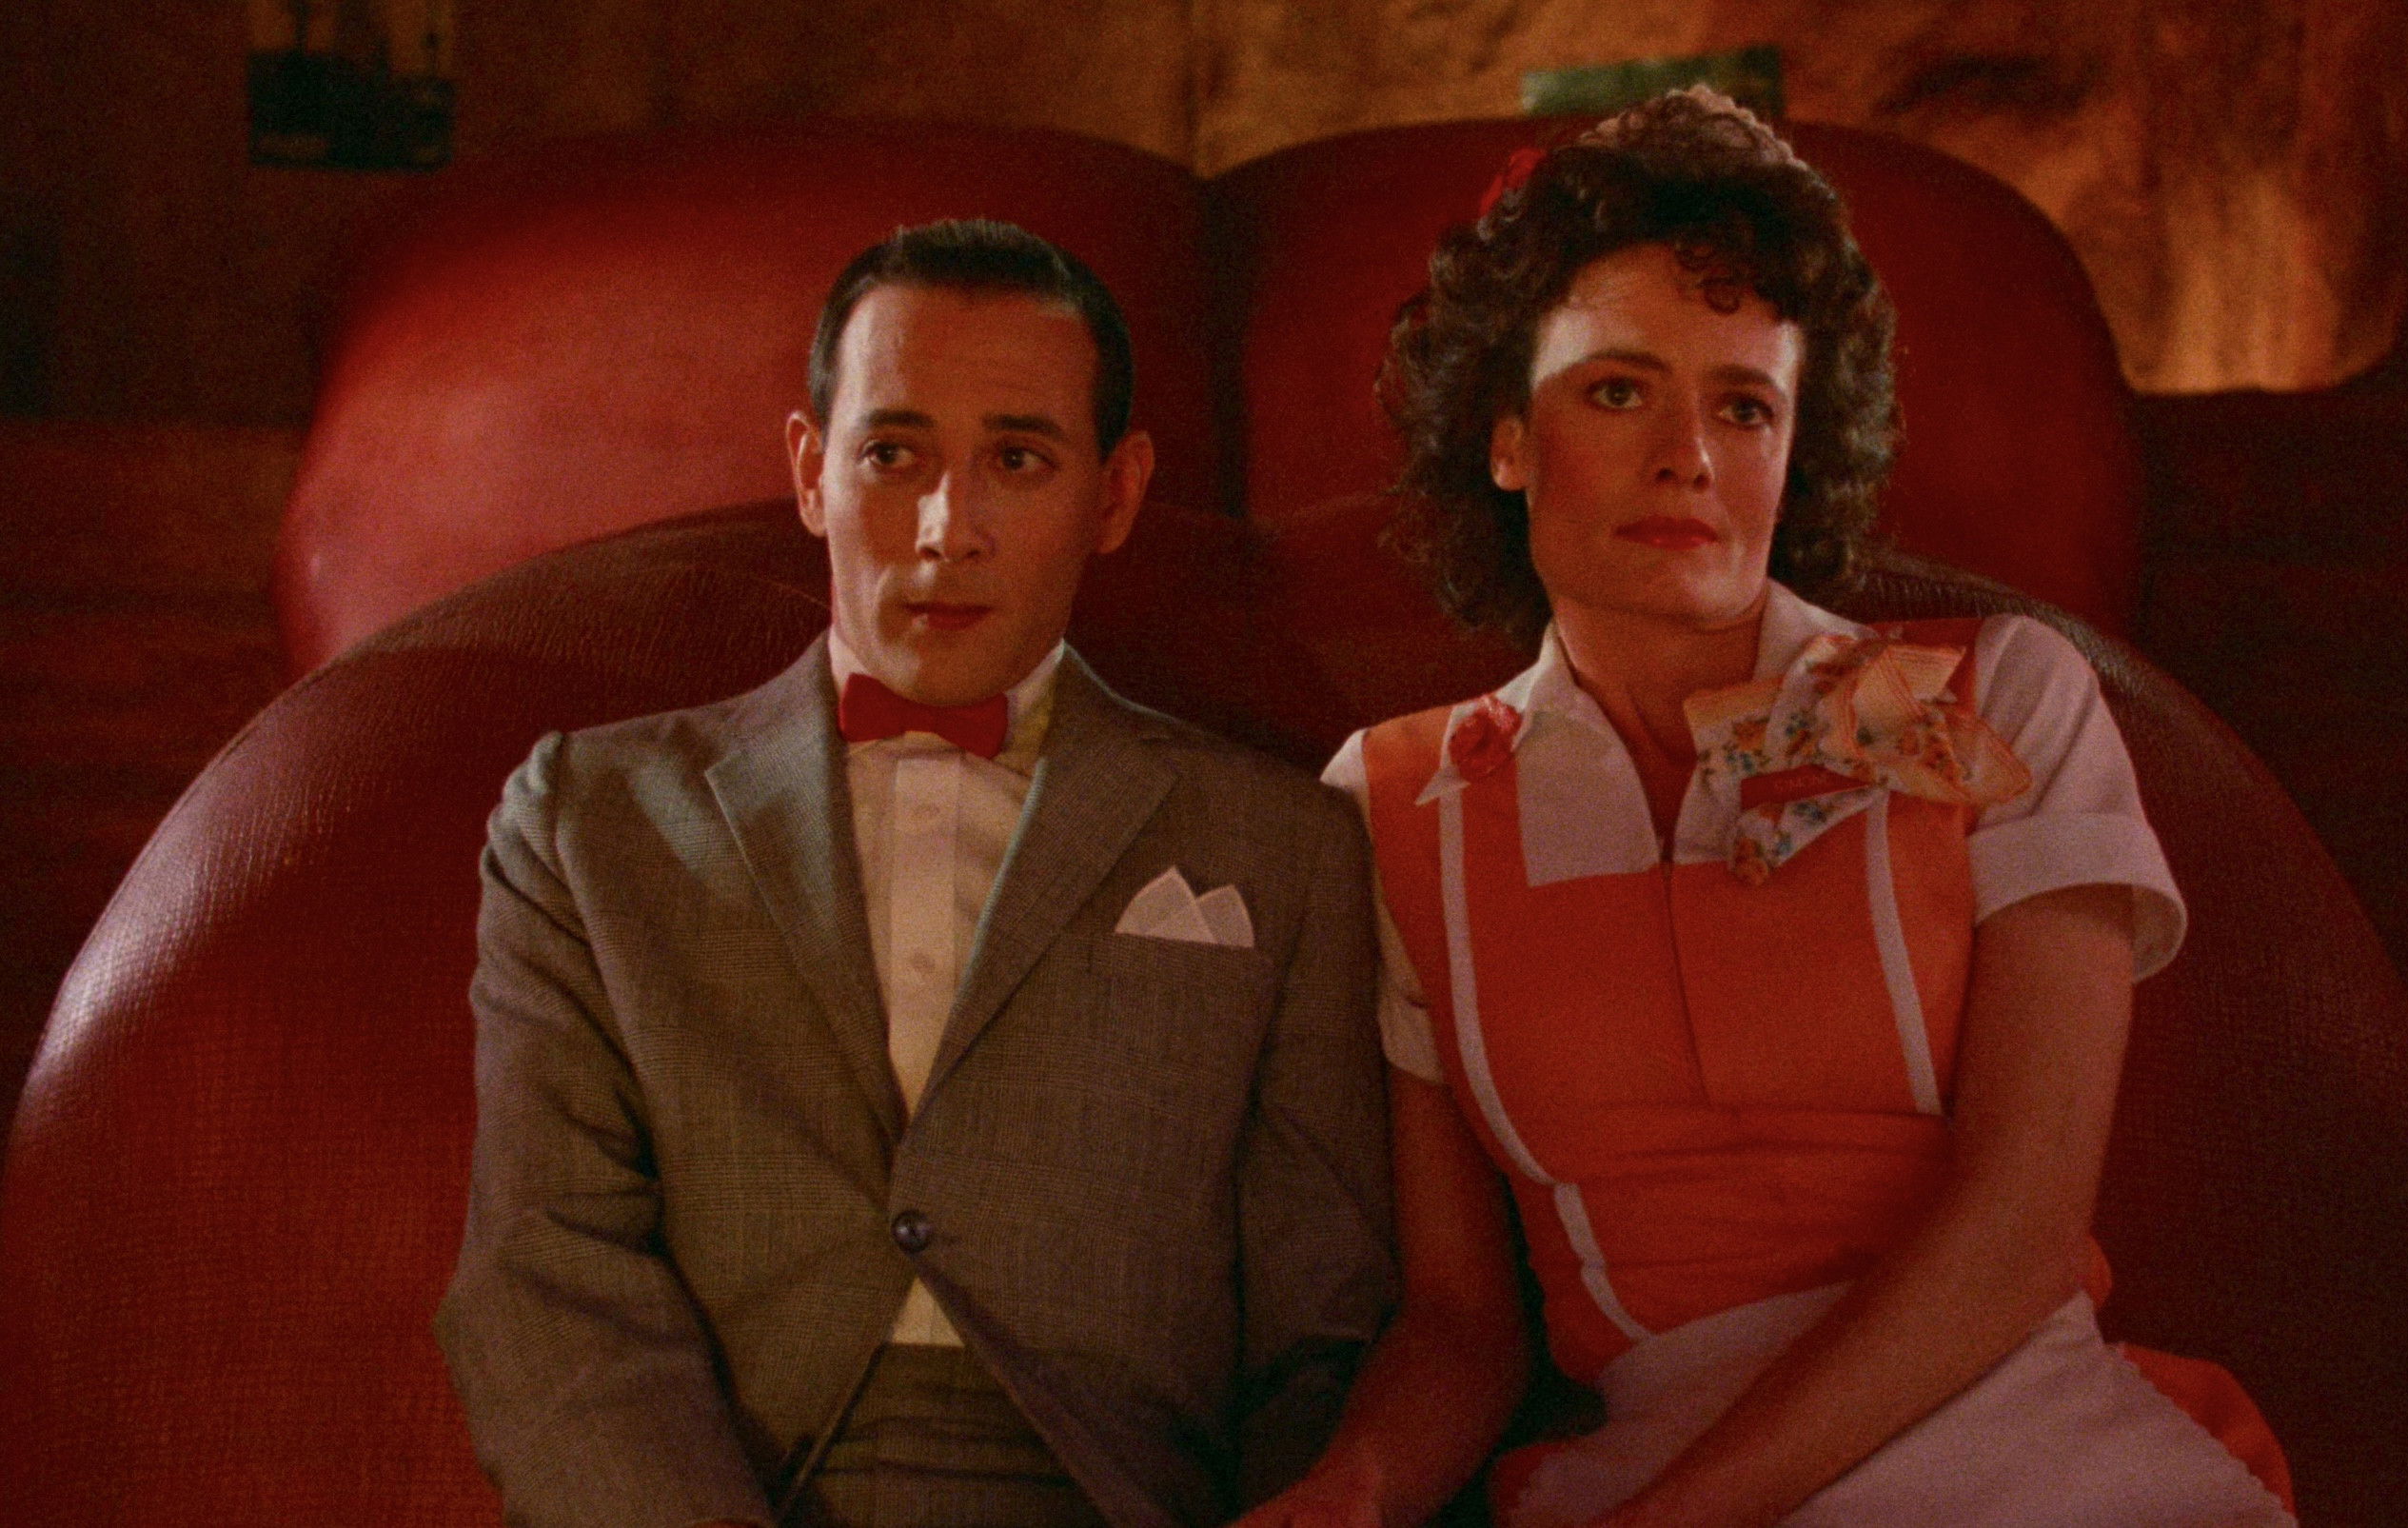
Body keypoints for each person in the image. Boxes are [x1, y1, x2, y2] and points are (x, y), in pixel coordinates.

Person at [1248, 89, 2299, 1528]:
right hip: (1644, 1456)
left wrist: (1683, 1522)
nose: (1687, 451)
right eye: (1617, 390)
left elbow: (2022, 1229)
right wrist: (1352, 1490)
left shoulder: (2005, 696)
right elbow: (1462, 1321)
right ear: (1506, 437)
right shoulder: (1392, 802)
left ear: (1795, 449)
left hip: (2026, 1443)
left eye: (1743, 406)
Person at [436, 218, 1395, 1528]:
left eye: (1018, 458)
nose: (949, 529)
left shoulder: (1282, 846)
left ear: (1114, 494)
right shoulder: (592, 821)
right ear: (810, 471)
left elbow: (1320, 1330)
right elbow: (544, 1275)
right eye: (894, 454)